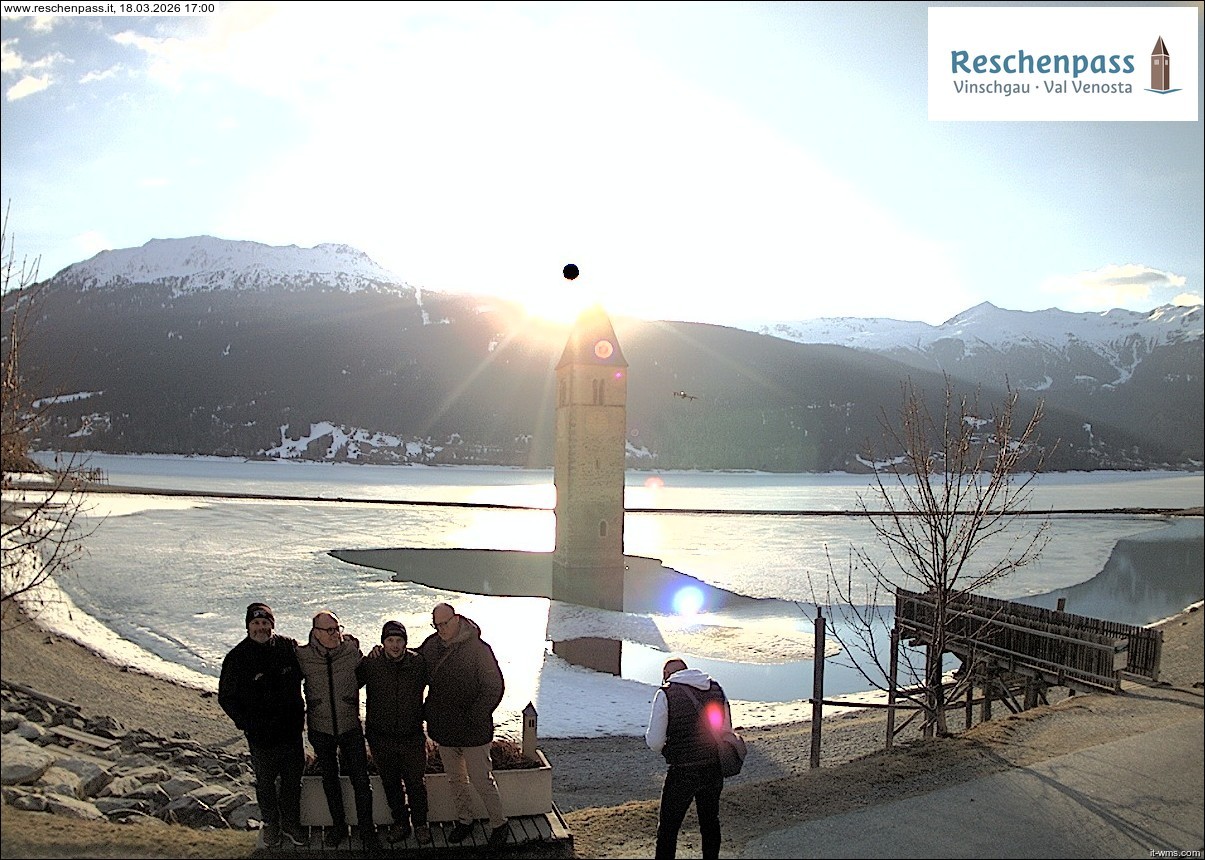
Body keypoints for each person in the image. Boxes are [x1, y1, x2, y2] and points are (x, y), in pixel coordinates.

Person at [417, 602, 509, 848]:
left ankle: (499, 823)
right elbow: (413, 662)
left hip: (473, 731)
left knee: (481, 781)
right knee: (456, 780)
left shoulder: (479, 649)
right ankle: (465, 821)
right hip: (444, 729)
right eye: (436, 625)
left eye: (445, 623)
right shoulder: (431, 646)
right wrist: (385, 651)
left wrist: (474, 716)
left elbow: (494, 687)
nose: (441, 629)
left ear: (457, 619)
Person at [217, 602, 307, 849]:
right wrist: (246, 724)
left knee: (293, 782)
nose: (261, 627)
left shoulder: (288, 647)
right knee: (265, 783)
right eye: (255, 623)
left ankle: (291, 824)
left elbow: (312, 664)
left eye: (265, 623)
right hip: (261, 737)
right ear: (248, 626)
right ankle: (271, 824)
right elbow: (226, 697)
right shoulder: (237, 657)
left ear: (272, 625)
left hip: (291, 732)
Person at [295, 609, 378, 851]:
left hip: (350, 726)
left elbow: (366, 674)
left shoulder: (351, 651)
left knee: (361, 781)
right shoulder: (302, 656)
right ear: (316, 633)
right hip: (320, 729)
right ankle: (338, 827)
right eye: (329, 630)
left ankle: (367, 830)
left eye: (337, 628)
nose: (335, 634)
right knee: (329, 781)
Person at [645, 657, 732, 860]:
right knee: (710, 822)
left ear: (667, 674)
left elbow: (655, 741)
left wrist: (669, 746)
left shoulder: (666, 693)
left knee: (668, 828)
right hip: (713, 766)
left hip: (683, 770)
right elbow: (726, 729)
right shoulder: (716, 689)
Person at [358, 620, 432, 845]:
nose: (395, 645)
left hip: (412, 736)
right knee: (391, 784)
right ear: (383, 642)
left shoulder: (418, 663)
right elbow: (348, 681)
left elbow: (439, 686)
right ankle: (401, 823)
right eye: (390, 640)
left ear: (405, 642)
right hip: (381, 737)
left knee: (416, 784)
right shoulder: (371, 664)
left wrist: (429, 713)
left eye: (399, 640)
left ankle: (421, 824)